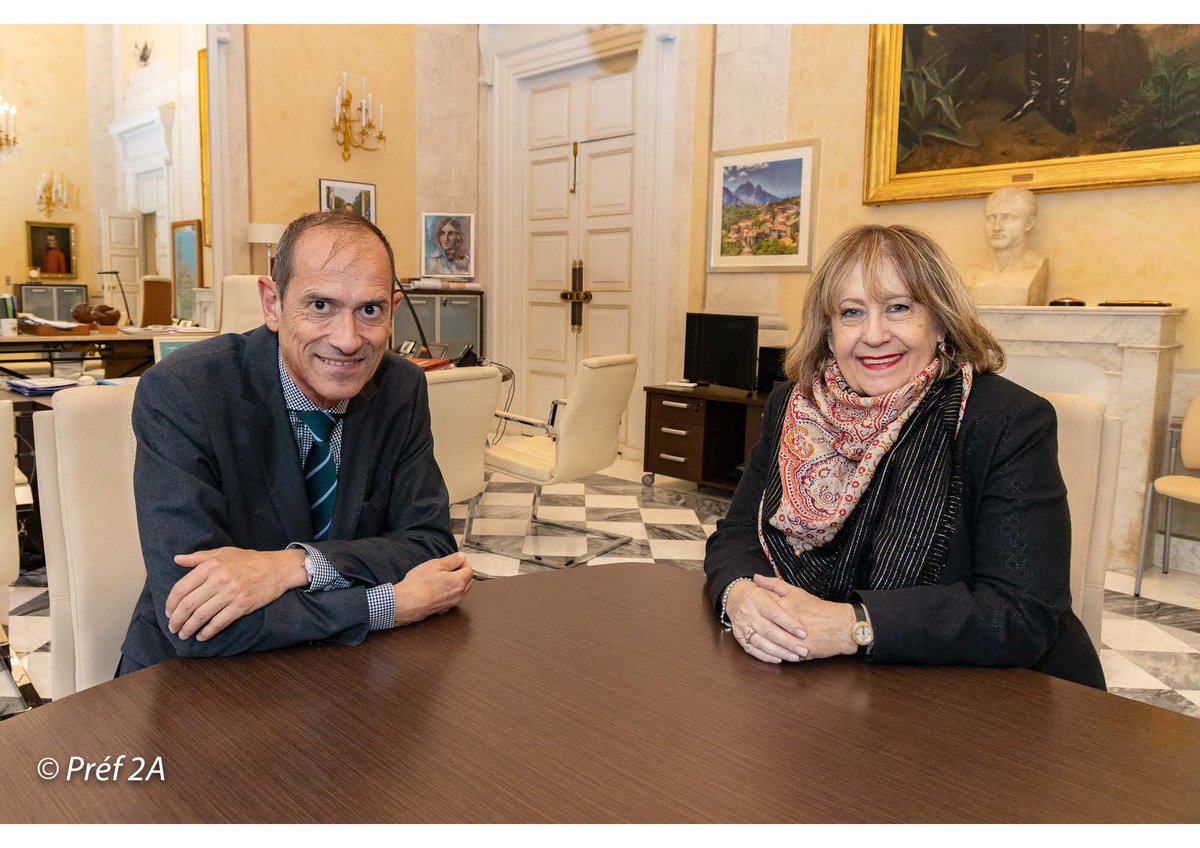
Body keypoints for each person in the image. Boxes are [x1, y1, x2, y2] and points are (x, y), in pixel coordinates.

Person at [704, 224, 1104, 690]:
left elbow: (1021, 612)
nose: (874, 335)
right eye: (851, 312)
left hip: (996, 697)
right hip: (830, 689)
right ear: (829, 333)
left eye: (898, 307)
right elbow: (737, 532)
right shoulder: (794, 406)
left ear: (940, 321)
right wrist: (739, 594)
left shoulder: (1008, 421)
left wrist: (854, 625)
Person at [118, 211, 473, 673]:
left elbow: (431, 548)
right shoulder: (185, 393)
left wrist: (291, 567)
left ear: (393, 311)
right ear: (272, 303)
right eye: (321, 305)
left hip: (342, 676)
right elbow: (197, 625)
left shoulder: (400, 387)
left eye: (369, 310)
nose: (348, 341)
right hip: (192, 684)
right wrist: (388, 603)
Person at [962, 187, 1048, 306]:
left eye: (1008, 217)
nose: (997, 227)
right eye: (991, 218)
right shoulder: (971, 273)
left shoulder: (1035, 269)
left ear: (1029, 224)